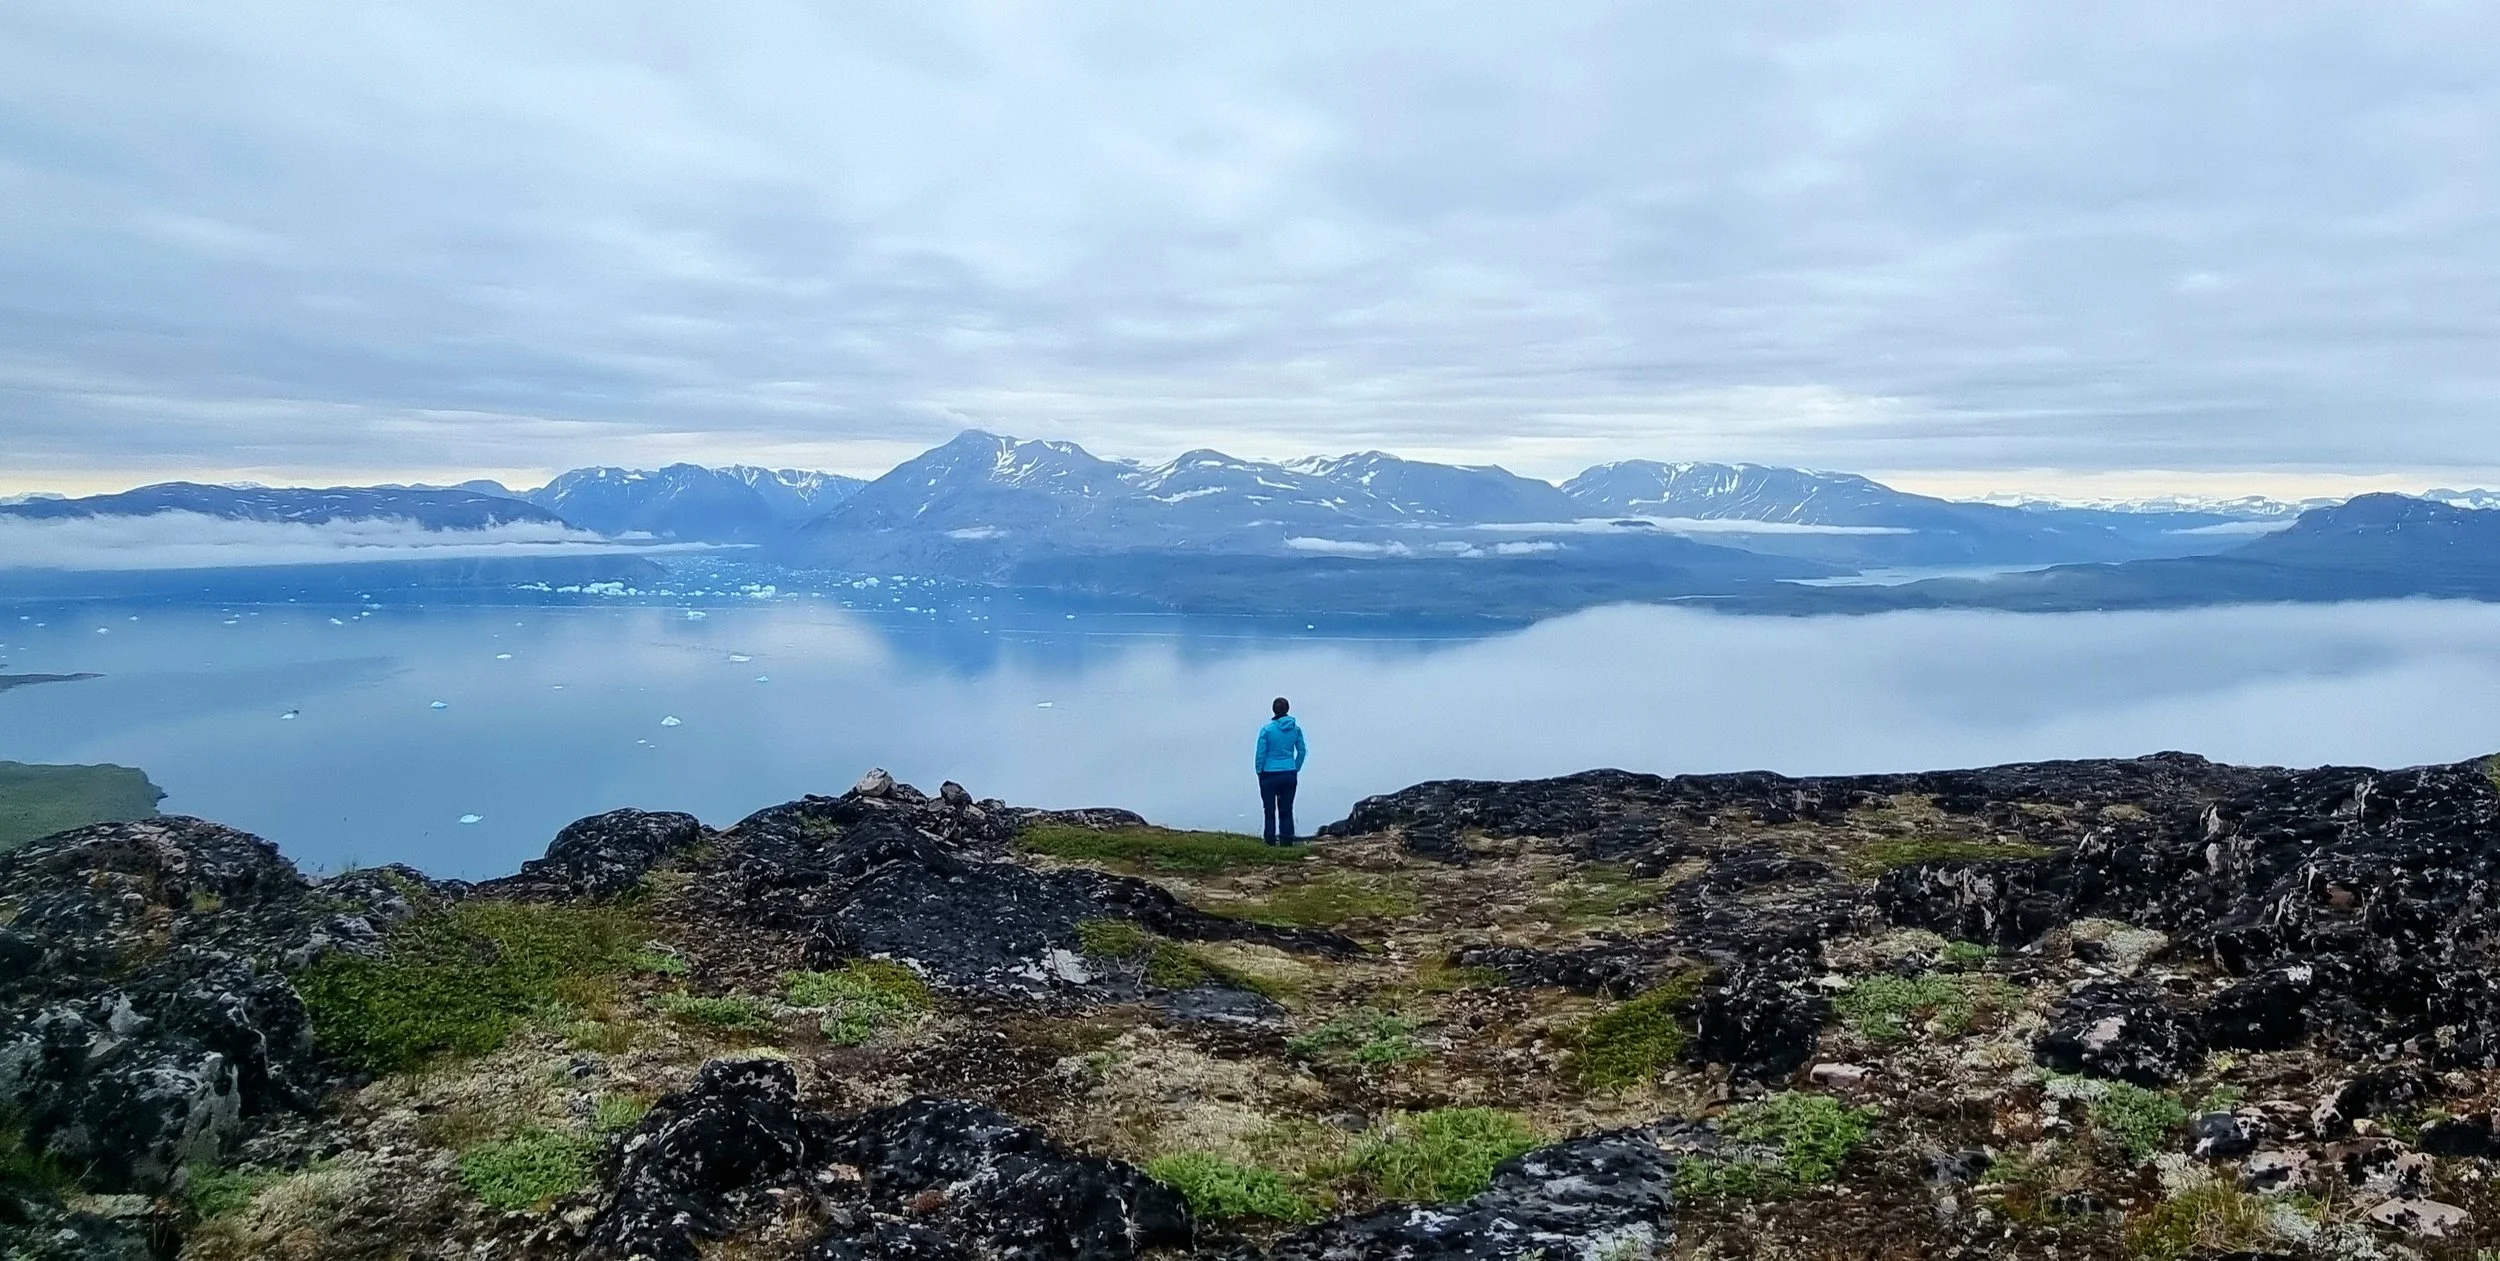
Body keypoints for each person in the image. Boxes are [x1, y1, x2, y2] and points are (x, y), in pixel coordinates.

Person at [1254, 696, 1307, 845]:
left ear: (1274, 710)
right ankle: (1287, 840)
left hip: (1269, 774)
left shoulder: (1266, 730)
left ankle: (1270, 839)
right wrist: (1295, 767)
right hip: (1289, 772)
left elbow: (1260, 754)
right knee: (1286, 809)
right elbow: (1302, 751)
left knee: (1269, 809)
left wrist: (1259, 770)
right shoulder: (1296, 730)